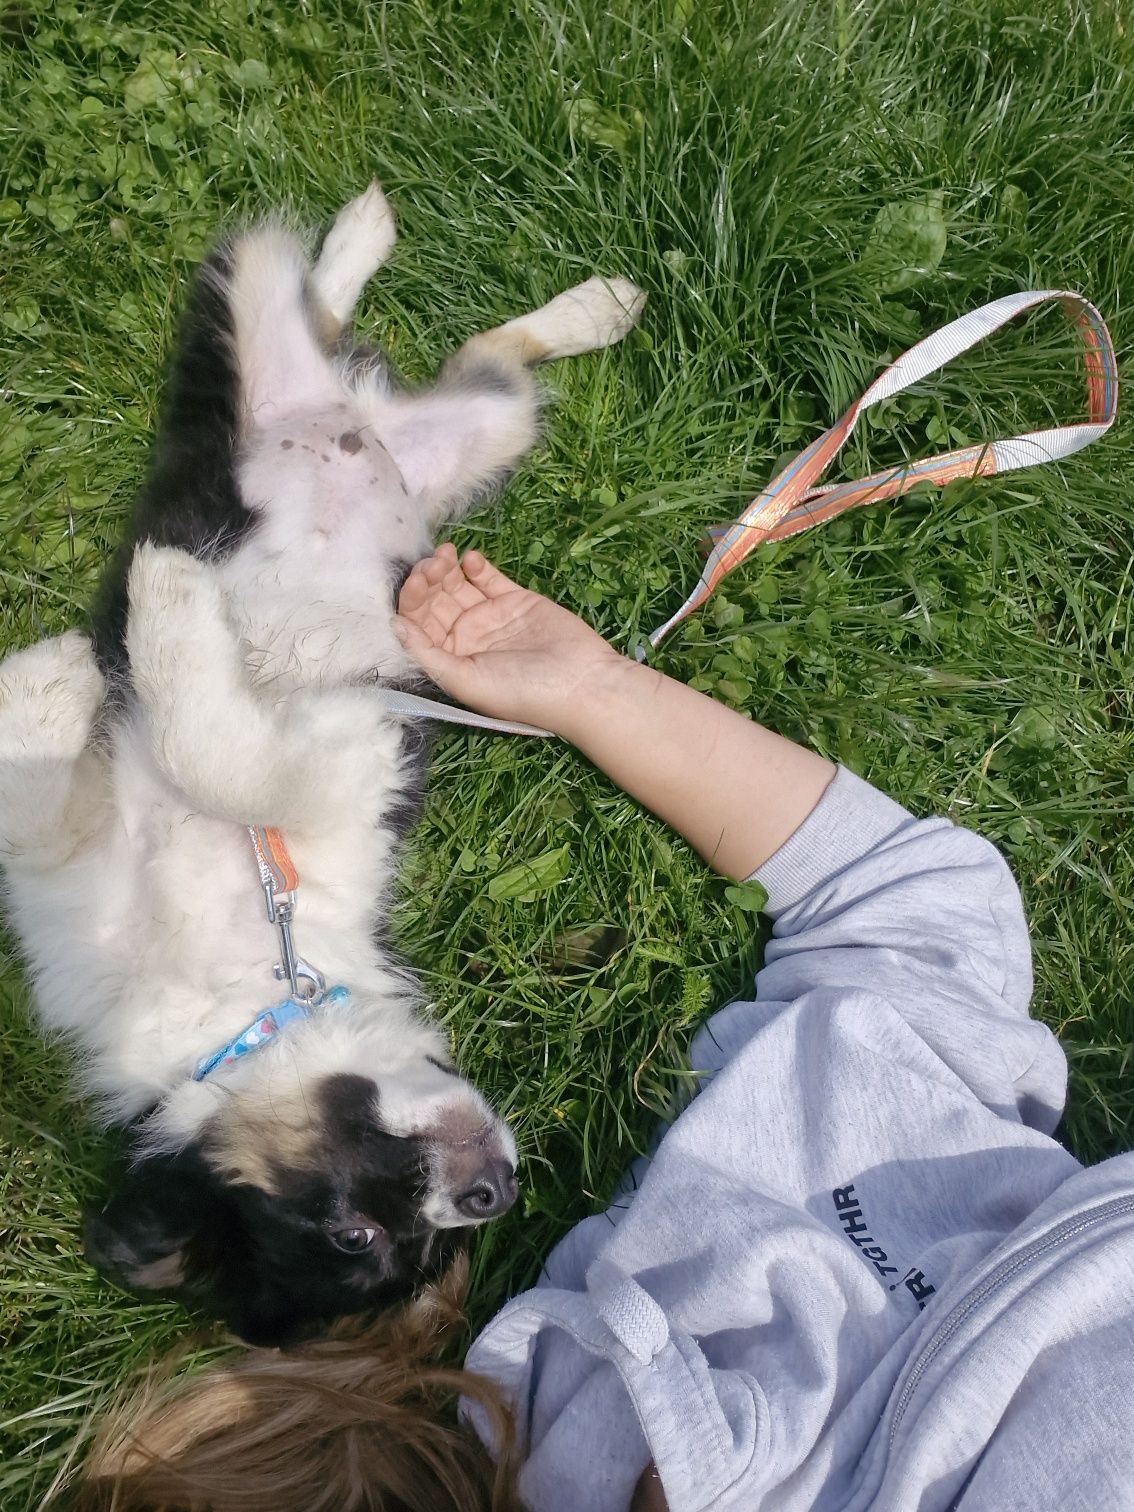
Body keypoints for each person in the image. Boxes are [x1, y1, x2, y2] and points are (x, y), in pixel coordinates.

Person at [82, 546, 1134, 1511]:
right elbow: (905, 916)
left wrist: (595, 692)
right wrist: (594, 690)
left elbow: (902, 915)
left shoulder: (554, 1416)